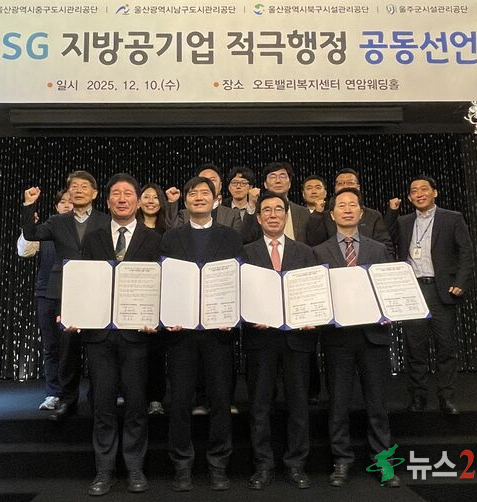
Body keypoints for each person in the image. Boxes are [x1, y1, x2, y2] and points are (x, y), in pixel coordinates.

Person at [78, 173, 162, 496]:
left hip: (137, 335)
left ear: (138, 201)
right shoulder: (93, 238)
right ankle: (104, 471)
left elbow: (161, 284)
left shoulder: (154, 239)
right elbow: (83, 282)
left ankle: (135, 468)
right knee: (103, 404)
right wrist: (73, 313)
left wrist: (157, 317)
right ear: (108, 200)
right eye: (116, 193)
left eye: (128, 194)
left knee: (137, 404)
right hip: (99, 335)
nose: (122, 198)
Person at [160, 176, 245, 492]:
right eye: (192, 193)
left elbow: (238, 280)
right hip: (180, 334)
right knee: (180, 401)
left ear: (216, 200)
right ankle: (182, 465)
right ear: (185, 201)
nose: (198, 197)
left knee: (221, 400)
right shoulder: (171, 237)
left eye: (204, 193)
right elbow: (164, 282)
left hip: (218, 333)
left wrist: (232, 315)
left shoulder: (231, 237)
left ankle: (218, 464)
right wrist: (166, 315)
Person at [312, 187, 400, 489]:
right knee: (338, 404)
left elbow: (388, 288)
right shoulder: (319, 252)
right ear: (332, 214)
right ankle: (341, 461)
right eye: (341, 205)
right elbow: (316, 294)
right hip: (337, 338)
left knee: (377, 404)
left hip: (373, 336)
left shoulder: (378, 249)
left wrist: (391, 309)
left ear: (361, 213)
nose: (347, 209)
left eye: (353, 205)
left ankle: (384, 462)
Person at [21, 170, 111, 421]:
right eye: (74, 186)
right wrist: (29, 205)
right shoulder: (57, 221)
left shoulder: (106, 221)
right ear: (69, 193)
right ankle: (67, 400)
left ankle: (98, 400)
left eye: (84, 186)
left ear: (95, 193)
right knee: (67, 349)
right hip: (64, 291)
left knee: (98, 348)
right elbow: (31, 234)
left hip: (97, 290)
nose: (78, 190)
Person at [243, 192, 317, 490]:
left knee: (298, 404)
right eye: (266, 210)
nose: (273, 215)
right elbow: (239, 294)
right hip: (260, 338)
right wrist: (250, 315)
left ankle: (296, 464)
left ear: (286, 216)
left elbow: (314, 291)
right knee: (259, 406)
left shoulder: (305, 252)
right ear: (258, 217)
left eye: (278, 210)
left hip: (297, 338)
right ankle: (263, 465)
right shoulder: (245, 253)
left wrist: (313, 314)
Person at [386, 176, 474, 415]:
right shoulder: (404, 221)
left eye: (424, 189)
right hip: (412, 290)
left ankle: (447, 397)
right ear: (409, 197)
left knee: (446, 347)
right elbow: (385, 237)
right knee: (415, 348)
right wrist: (392, 212)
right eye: (414, 191)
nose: (419, 194)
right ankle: (418, 397)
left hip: (440, 289)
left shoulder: (452, 218)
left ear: (435, 192)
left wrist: (460, 282)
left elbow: (466, 252)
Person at [17, 189, 73, 410]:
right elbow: (24, 251)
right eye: (63, 202)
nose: (67, 205)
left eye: (71, 202)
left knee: (73, 347)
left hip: (75, 295)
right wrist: (28, 225)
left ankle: (72, 393)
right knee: (51, 346)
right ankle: (53, 393)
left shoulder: (82, 232)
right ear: (56, 207)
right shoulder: (48, 230)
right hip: (46, 293)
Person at [306, 168, 394, 258]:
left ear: (358, 187)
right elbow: (315, 244)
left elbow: (386, 248)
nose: (345, 186)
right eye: (340, 183)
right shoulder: (325, 216)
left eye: (350, 182)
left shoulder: (373, 216)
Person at [135, 182, 168, 415]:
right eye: (146, 197)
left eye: (155, 197)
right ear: (138, 202)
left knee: (156, 351)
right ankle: (132, 395)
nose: (151, 201)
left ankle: (155, 398)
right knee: (134, 351)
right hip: (135, 296)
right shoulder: (130, 230)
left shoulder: (169, 232)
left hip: (161, 298)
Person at [242, 161, 311, 244]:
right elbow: (246, 237)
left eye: (282, 176)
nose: (278, 181)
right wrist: (251, 204)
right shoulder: (256, 210)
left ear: (289, 183)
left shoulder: (303, 212)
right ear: (265, 184)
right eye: (273, 177)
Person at [166, 163, 243, 232]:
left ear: (220, 185)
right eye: (203, 180)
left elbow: (235, 240)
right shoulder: (184, 214)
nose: (208, 184)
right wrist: (172, 202)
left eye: (212, 180)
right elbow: (173, 232)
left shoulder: (232, 215)